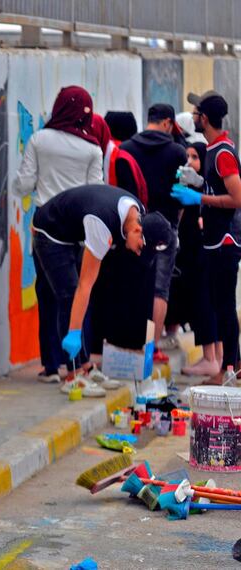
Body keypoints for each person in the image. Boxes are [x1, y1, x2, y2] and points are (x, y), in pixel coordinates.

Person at [32, 184, 173, 396]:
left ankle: (85, 367)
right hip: (49, 230)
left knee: (80, 296)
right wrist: (74, 333)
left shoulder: (138, 212)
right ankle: (74, 376)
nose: (138, 253)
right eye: (141, 248)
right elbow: (85, 285)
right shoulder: (102, 224)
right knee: (70, 295)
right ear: (136, 230)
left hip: (72, 229)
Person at [16, 86, 104, 385]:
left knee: (47, 294)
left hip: (43, 229)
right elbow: (96, 190)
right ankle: (78, 363)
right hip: (78, 233)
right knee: (79, 294)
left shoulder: (40, 140)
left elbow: (24, 184)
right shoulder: (92, 149)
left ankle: (52, 365)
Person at [172, 91, 241, 385]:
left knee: (224, 306)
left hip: (225, 241)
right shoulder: (213, 149)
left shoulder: (223, 152)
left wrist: (197, 195)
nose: (194, 117)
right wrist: (197, 181)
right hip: (214, 239)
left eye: (197, 113)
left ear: (206, 119)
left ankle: (229, 369)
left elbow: (237, 198)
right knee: (218, 303)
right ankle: (230, 367)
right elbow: (217, 186)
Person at [121, 104, 188, 363]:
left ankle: (131, 342)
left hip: (133, 227)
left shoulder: (126, 149)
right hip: (165, 227)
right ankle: (152, 347)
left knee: (135, 285)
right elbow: (181, 195)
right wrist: (175, 223)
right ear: (168, 123)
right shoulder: (177, 152)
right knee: (160, 288)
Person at [167, 143, 222, 376]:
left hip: (200, 254)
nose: (189, 161)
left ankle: (211, 358)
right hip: (193, 253)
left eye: (195, 157)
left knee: (204, 303)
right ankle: (214, 356)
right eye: (187, 156)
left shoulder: (207, 191)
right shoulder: (193, 187)